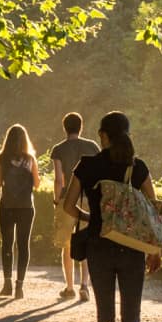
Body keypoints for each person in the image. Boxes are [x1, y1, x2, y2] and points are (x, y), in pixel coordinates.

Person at [59, 110, 161, 322]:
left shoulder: (88, 165)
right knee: (132, 312)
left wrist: (90, 218)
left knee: (105, 315)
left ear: (103, 135)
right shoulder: (136, 167)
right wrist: (155, 250)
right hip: (131, 247)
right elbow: (153, 212)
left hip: (99, 247)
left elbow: (67, 205)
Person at [0, 124, 39, 299]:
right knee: (23, 245)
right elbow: (37, 184)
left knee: (7, 244)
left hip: (6, 206)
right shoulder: (30, 159)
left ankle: (7, 284)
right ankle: (20, 286)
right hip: (26, 206)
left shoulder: (2, 158)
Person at [48, 113, 100, 303]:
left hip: (66, 200)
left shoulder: (58, 149)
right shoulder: (93, 146)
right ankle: (84, 285)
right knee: (85, 243)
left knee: (67, 245)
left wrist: (56, 200)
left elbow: (59, 180)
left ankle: (69, 287)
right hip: (88, 199)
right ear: (81, 127)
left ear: (65, 127)